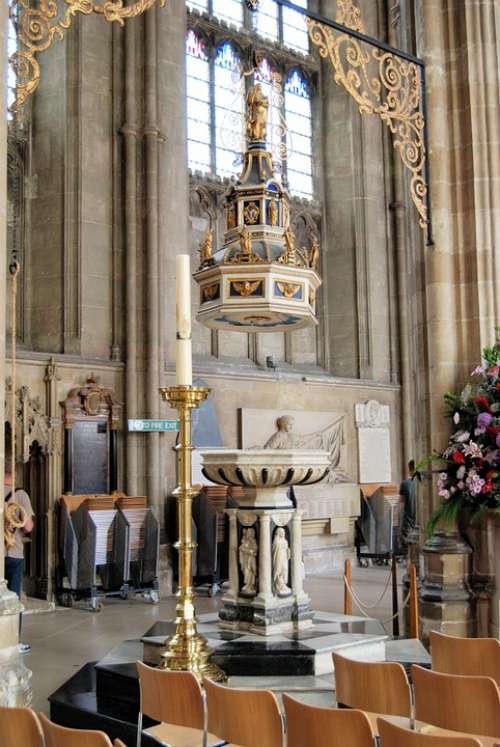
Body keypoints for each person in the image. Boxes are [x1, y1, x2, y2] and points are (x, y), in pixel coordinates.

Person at [4, 455, 34, 653]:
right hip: (14, 553)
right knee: (13, 598)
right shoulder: (20, 495)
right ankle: (13, 642)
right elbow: (29, 527)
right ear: (13, 473)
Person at [398, 459, 418, 556]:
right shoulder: (425, 483)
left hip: (408, 518)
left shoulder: (405, 484)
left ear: (410, 470)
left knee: (407, 543)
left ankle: (408, 561)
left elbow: (401, 502)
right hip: (420, 518)